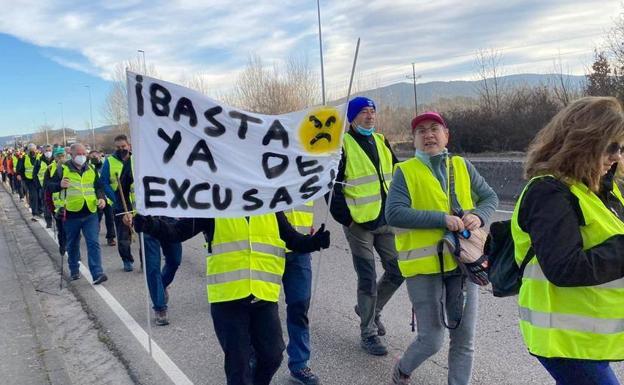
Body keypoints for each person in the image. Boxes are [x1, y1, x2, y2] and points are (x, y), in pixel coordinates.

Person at [131, 212, 330, 385]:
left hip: (263, 295)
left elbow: (291, 238)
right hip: (228, 300)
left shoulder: (269, 206)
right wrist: (151, 225)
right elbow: (177, 232)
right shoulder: (216, 206)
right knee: (238, 366)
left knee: (272, 356)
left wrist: (313, 242)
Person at [511, 96, 624, 385]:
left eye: (621, 148)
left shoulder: (601, 189)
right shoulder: (548, 193)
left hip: (590, 335)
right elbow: (565, 267)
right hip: (563, 339)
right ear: (585, 141)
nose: (617, 157)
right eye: (611, 147)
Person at [385, 111, 498, 385]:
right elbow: (394, 213)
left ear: (446, 135)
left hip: (464, 264)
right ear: (414, 140)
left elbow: (489, 197)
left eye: (434, 128)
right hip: (424, 268)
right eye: (421, 131)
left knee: (464, 339)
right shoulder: (405, 171)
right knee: (432, 339)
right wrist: (441, 220)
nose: (428, 135)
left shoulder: (462, 165)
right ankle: (402, 369)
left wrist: (479, 215)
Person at [329, 96, 404, 356]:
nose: (370, 116)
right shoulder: (342, 146)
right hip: (358, 223)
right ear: (352, 117)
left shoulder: (382, 140)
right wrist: (347, 219)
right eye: (363, 112)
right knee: (367, 278)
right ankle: (368, 333)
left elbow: (398, 173)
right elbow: (332, 189)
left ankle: (370, 310)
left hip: (385, 220)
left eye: (372, 111)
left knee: (397, 269)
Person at [119, 160, 183, 326]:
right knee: (152, 266)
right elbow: (123, 188)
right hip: (146, 220)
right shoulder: (133, 161)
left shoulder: (173, 156)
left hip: (170, 219)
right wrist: (126, 213)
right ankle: (160, 307)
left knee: (175, 260)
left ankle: (160, 288)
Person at [47, 143, 108, 284]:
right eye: (78, 154)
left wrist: (101, 198)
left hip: (90, 212)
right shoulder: (61, 169)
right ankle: (74, 269)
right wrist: (59, 185)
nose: (82, 156)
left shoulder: (91, 168)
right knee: (73, 244)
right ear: (72, 155)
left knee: (93, 242)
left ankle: (97, 273)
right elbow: (48, 187)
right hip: (71, 214)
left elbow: (98, 186)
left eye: (84, 154)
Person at [282, 201, 321, 384]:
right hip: (264, 246)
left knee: (300, 306)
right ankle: (253, 357)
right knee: (260, 307)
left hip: (300, 247)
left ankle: (299, 364)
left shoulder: (303, 171)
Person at [101, 135, 135, 271]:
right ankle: (127, 260)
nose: (121, 149)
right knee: (123, 235)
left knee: (145, 234)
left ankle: (146, 261)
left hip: (137, 203)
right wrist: (115, 198)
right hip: (120, 202)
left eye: (124, 146)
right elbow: (103, 181)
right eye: (118, 147)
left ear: (129, 146)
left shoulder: (136, 159)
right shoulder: (109, 161)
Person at [44, 147, 68, 255]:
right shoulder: (49, 169)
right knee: (62, 230)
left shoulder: (71, 166)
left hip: (73, 204)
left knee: (73, 231)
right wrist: (59, 185)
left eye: (63, 155)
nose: (61, 158)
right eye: (59, 156)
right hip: (58, 205)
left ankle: (74, 252)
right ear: (55, 157)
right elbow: (47, 187)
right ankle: (63, 247)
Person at [90, 150, 116, 246]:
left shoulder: (105, 166)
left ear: (100, 156)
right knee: (97, 218)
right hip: (96, 197)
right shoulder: (90, 168)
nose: (94, 158)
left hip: (107, 196)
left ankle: (111, 237)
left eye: (96, 156)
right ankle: (94, 235)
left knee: (110, 218)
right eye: (92, 157)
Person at [16, 143, 42, 221]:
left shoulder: (40, 157)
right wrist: (19, 174)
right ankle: (35, 212)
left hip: (39, 180)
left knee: (40, 195)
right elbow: (19, 168)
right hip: (29, 180)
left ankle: (40, 210)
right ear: (28, 151)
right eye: (30, 150)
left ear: (36, 150)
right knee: (33, 196)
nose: (32, 151)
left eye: (33, 150)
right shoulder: (24, 158)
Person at [38, 145, 54, 228]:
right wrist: (38, 185)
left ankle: (58, 220)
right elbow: (35, 174)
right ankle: (49, 222)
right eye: (46, 150)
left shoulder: (56, 160)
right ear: (43, 152)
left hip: (55, 186)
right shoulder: (39, 161)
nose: (48, 152)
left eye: (49, 150)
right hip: (44, 187)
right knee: (46, 205)